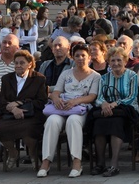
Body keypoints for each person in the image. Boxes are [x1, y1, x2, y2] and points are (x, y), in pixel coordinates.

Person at [37, 42, 101, 178]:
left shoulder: (95, 76)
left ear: (89, 57)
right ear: (73, 58)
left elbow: (92, 96)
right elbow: (56, 91)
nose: (80, 58)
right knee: (52, 121)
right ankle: (46, 161)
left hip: (80, 108)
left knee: (73, 121)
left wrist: (75, 102)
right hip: (62, 106)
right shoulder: (66, 73)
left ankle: (77, 162)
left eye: (83, 55)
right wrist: (56, 99)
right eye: (77, 56)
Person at [92, 46, 139, 177]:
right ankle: (100, 163)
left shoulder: (132, 75)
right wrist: (104, 104)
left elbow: (131, 96)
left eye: (119, 60)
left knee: (116, 123)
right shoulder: (104, 78)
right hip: (107, 109)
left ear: (125, 61)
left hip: (126, 110)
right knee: (99, 123)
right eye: (113, 60)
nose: (116, 63)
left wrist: (115, 103)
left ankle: (114, 165)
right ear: (108, 62)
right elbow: (99, 97)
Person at [0, 49, 48, 171]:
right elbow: (1, 101)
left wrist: (20, 103)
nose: (18, 65)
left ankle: (32, 154)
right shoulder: (6, 79)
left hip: (31, 115)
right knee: (1, 129)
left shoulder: (39, 79)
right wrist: (13, 109)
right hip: (10, 115)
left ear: (30, 64)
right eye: (16, 63)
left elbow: (41, 101)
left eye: (22, 63)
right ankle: (13, 152)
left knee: (29, 130)